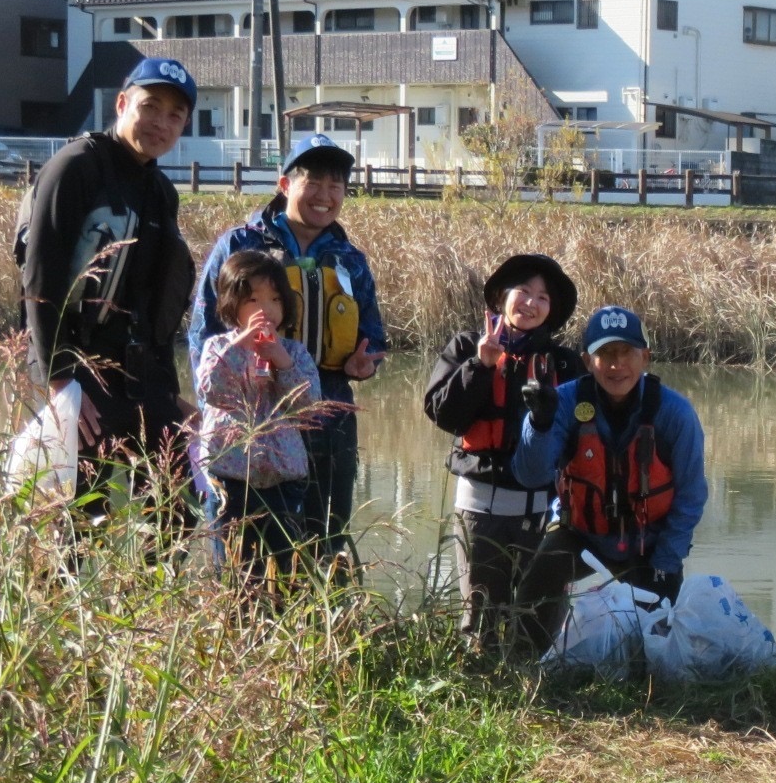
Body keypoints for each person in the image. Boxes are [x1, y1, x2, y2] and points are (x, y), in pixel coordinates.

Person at [189, 133, 386, 565]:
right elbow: (203, 333)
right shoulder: (240, 245)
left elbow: (374, 338)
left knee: (322, 547)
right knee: (240, 551)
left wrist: (362, 366)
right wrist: (214, 412)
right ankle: (241, 627)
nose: (324, 196)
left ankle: (315, 629)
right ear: (284, 185)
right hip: (246, 423)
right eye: (313, 182)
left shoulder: (351, 259)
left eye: (336, 186)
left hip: (327, 414)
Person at [18, 57, 198, 515]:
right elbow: (41, 278)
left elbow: (155, 305)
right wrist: (60, 382)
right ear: (122, 103)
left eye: (175, 115)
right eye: (150, 106)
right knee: (77, 520)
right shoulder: (76, 167)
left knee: (173, 510)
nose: (161, 122)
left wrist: (168, 393)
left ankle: (151, 586)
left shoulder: (161, 192)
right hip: (78, 370)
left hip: (140, 375)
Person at [511, 306, 708, 652]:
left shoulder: (676, 414)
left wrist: (665, 563)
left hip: (651, 544)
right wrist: (538, 424)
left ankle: (650, 689)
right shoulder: (563, 402)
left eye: (626, 353)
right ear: (587, 361)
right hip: (580, 535)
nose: (617, 365)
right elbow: (530, 475)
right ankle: (526, 670)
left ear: (645, 356)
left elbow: (690, 496)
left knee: (651, 642)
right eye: (605, 354)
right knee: (538, 579)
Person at [423, 254, 585, 647]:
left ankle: (537, 693)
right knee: (480, 622)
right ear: (500, 297)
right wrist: (480, 365)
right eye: (523, 291)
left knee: (537, 622)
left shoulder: (563, 363)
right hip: (478, 511)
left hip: (541, 513)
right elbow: (442, 413)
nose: (532, 303)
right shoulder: (465, 346)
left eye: (544, 297)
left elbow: (582, 434)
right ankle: (481, 692)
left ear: (553, 310)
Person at [195, 250, 321, 581]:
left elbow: (309, 406)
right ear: (231, 304)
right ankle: (236, 622)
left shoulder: (295, 352)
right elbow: (211, 389)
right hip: (231, 479)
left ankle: (282, 623)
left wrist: (283, 363)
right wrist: (240, 345)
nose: (265, 310)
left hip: (283, 480)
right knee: (236, 569)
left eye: (275, 299)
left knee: (284, 567)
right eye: (253, 299)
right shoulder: (219, 347)